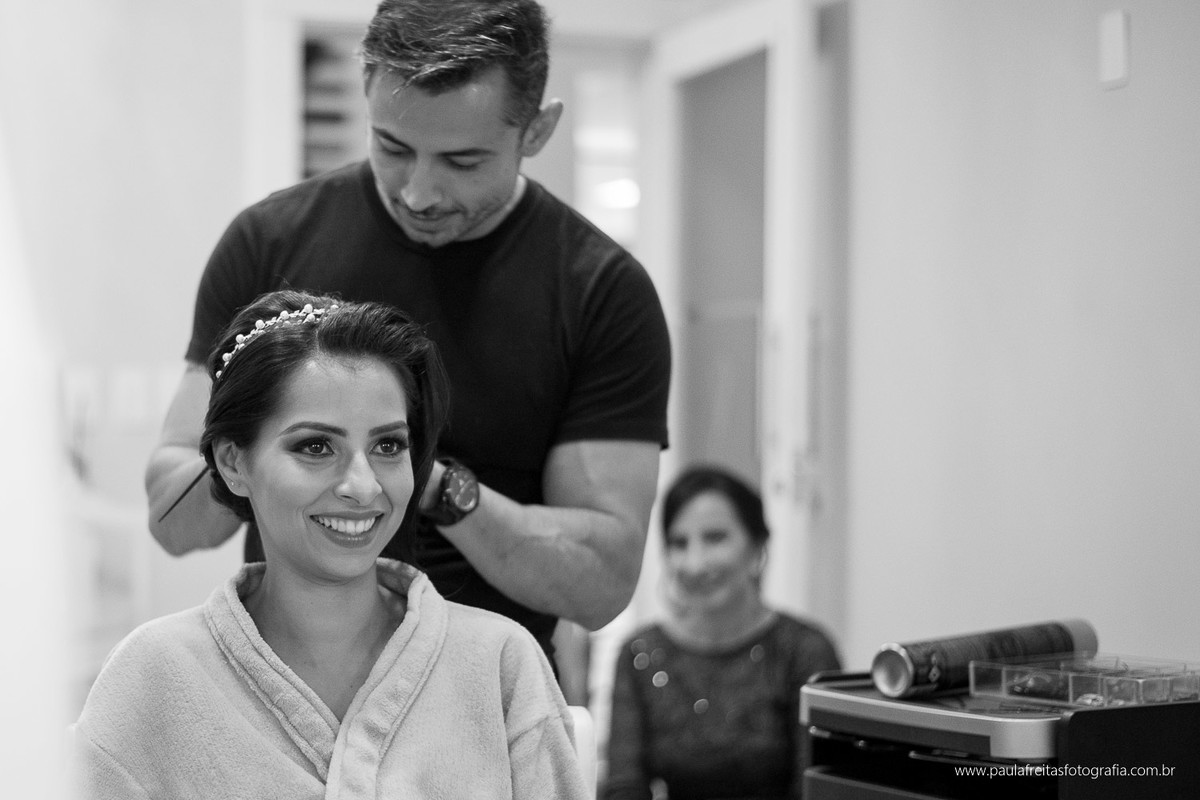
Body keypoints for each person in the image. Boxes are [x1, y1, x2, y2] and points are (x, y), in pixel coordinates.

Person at [144, 0, 671, 661]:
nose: (419, 193)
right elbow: (172, 522)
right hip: (280, 684)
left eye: (462, 160)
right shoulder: (268, 244)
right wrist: (248, 447)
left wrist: (428, 481)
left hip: (481, 695)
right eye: (393, 147)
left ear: (536, 130)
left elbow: (601, 584)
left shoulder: (601, 292)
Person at [77, 290, 590, 799]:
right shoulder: (153, 677)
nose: (364, 486)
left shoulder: (499, 664)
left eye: (388, 446)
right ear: (234, 463)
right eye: (316, 447)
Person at [602, 465, 843, 800]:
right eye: (679, 543)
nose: (695, 563)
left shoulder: (805, 651)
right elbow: (623, 787)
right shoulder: (640, 654)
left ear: (757, 548)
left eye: (715, 538)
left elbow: (819, 786)